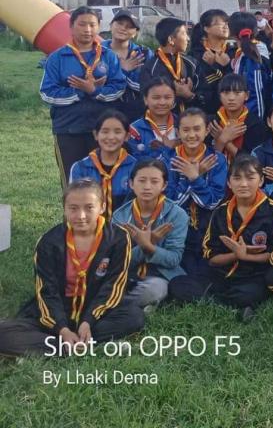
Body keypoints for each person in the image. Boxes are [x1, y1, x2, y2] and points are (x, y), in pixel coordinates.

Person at [0, 180, 144, 357]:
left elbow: (112, 287)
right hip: (60, 307)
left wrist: (87, 322)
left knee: (134, 316)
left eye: (89, 207)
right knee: (3, 334)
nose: (81, 215)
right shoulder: (49, 242)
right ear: (65, 209)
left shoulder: (118, 238)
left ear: (102, 207)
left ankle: (58, 345)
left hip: (94, 308)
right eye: (73, 208)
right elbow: (47, 291)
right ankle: (73, 343)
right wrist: (62, 329)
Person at [169, 154, 273, 319]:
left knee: (251, 292)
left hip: (253, 276)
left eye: (250, 177)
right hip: (221, 275)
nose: (244, 184)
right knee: (178, 284)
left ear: (261, 181)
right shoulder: (220, 212)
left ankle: (219, 304)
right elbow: (211, 257)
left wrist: (246, 256)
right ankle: (233, 308)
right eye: (237, 178)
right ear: (229, 183)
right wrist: (235, 255)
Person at [40, 6, 127, 178]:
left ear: (99, 27)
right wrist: (80, 92)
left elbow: (119, 88)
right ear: (71, 27)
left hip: (102, 131)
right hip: (68, 128)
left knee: (104, 179)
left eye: (92, 25)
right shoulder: (57, 57)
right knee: (73, 179)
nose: (87, 30)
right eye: (82, 24)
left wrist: (94, 90)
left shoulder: (108, 56)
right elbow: (47, 92)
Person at [112, 157, 189, 308]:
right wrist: (147, 244)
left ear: (164, 185)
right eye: (141, 181)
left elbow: (174, 259)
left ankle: (116, 305)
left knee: (155, 290)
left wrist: (149, 246)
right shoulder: (119, 216)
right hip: (127, 275)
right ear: (131, 184)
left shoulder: (177, 214)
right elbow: (118, 261)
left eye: (154, 181)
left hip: (160, 275)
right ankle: (124, 303)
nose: (147, 187)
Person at [168, 107, 228, 276]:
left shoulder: (217, 159)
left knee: (206, 273)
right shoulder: (168, 159)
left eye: (197, 129)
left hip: (208, 226)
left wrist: (194, 178)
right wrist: (195, 177)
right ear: (178, 132)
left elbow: (213, 202)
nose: (191, 135)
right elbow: (170, 202)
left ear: (207, 130)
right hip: (176, 227)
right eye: (186, 130)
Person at [68, 110, 136, 218]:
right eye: (105, 131)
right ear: (96, 135)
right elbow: (74, 203)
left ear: (127, 136)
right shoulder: (80, 168)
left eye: (117, 132)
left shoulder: (135, 167)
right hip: (89, 227)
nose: (110, 137)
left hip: (125, 228)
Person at [208, 73, 269, 162]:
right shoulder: (212, 122)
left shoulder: (255, 124)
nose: (231, 98)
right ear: (220, 96)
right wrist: (220, 142)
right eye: (226, 93)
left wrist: (224, 140)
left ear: (247, 95)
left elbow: (252, 161)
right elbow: (208, 161)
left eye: (237, 93)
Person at [141, 16, 198, 111]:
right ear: (171, 39)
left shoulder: (191, 64)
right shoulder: (150, 68)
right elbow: (147, 102)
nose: (188, 39)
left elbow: (203, 98)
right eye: (184, 34)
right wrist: (176, 94)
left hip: (188, 122)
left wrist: (189, 95)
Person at [227, 11, 271, 120]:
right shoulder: (243, 53)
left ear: (231, 32)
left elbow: (256, 93)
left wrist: (255, 122)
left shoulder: (251, 56)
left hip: (253, 120)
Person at [106, 9, 147, 123]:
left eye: (129, 26)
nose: (123, 28)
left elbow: (148, 86)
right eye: (119, 23)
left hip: (136, 117)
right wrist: (123, 70)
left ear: (135, 33)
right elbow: (95, 86)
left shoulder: (144, 54)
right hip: (104, 114)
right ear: (110, 26)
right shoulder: (97, 52)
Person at [191, 8, 232, 115]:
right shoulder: (197, 55)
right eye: (219, 23)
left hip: (231, 111)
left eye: (227, 23)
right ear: (206, 28)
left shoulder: (233, 52)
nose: (225, 26)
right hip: (204, 112)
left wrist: (224, 66)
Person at [127, 77, 178, 161]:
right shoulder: (134, 130)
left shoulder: (183, 126)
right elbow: (134, 161)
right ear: (145, 100)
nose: (162, 102)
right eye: (156, 98)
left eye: (167, 97)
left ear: (174, 100)